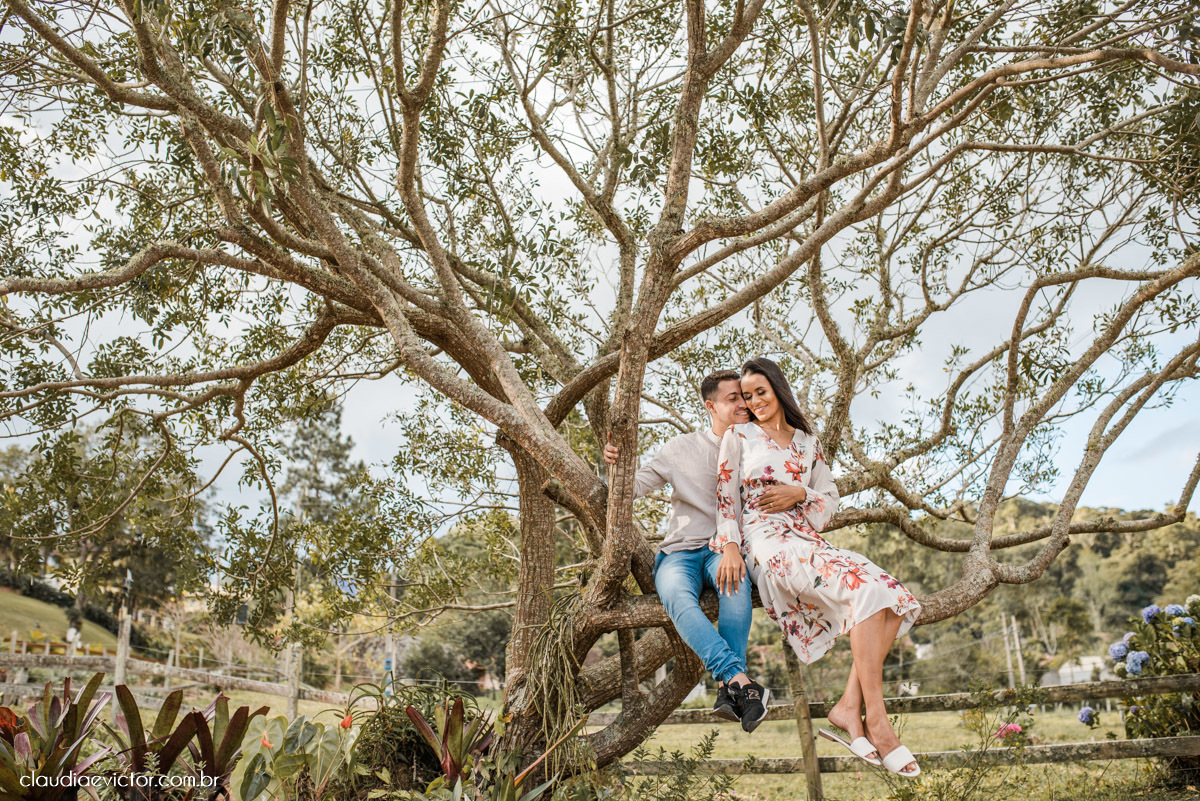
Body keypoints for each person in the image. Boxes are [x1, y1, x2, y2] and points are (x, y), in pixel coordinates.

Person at [712, 357, 923, 777]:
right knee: (865, 591)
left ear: (777, 389)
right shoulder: (738, 435)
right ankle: (877, 723)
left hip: (806, 537)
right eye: (747, 396)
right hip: (764, 542)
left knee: (893, 596)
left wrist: (799, 492)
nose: (754, 402)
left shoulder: (808, 442)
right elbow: (725, 499)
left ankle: (848, 707)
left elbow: (827, 505)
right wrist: (731, 548)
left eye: (761, 392)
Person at [603, 370, 807, 731]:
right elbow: (628, 490)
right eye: (734, 398)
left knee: (736, 583)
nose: (744, 404)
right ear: (711, 406)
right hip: (680, 552)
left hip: (725, 551)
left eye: (745, 397)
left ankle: (732, 689)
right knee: (677, 598)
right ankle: (738, 680)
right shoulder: (679, 448)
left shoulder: (758, 449)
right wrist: (613, 465)